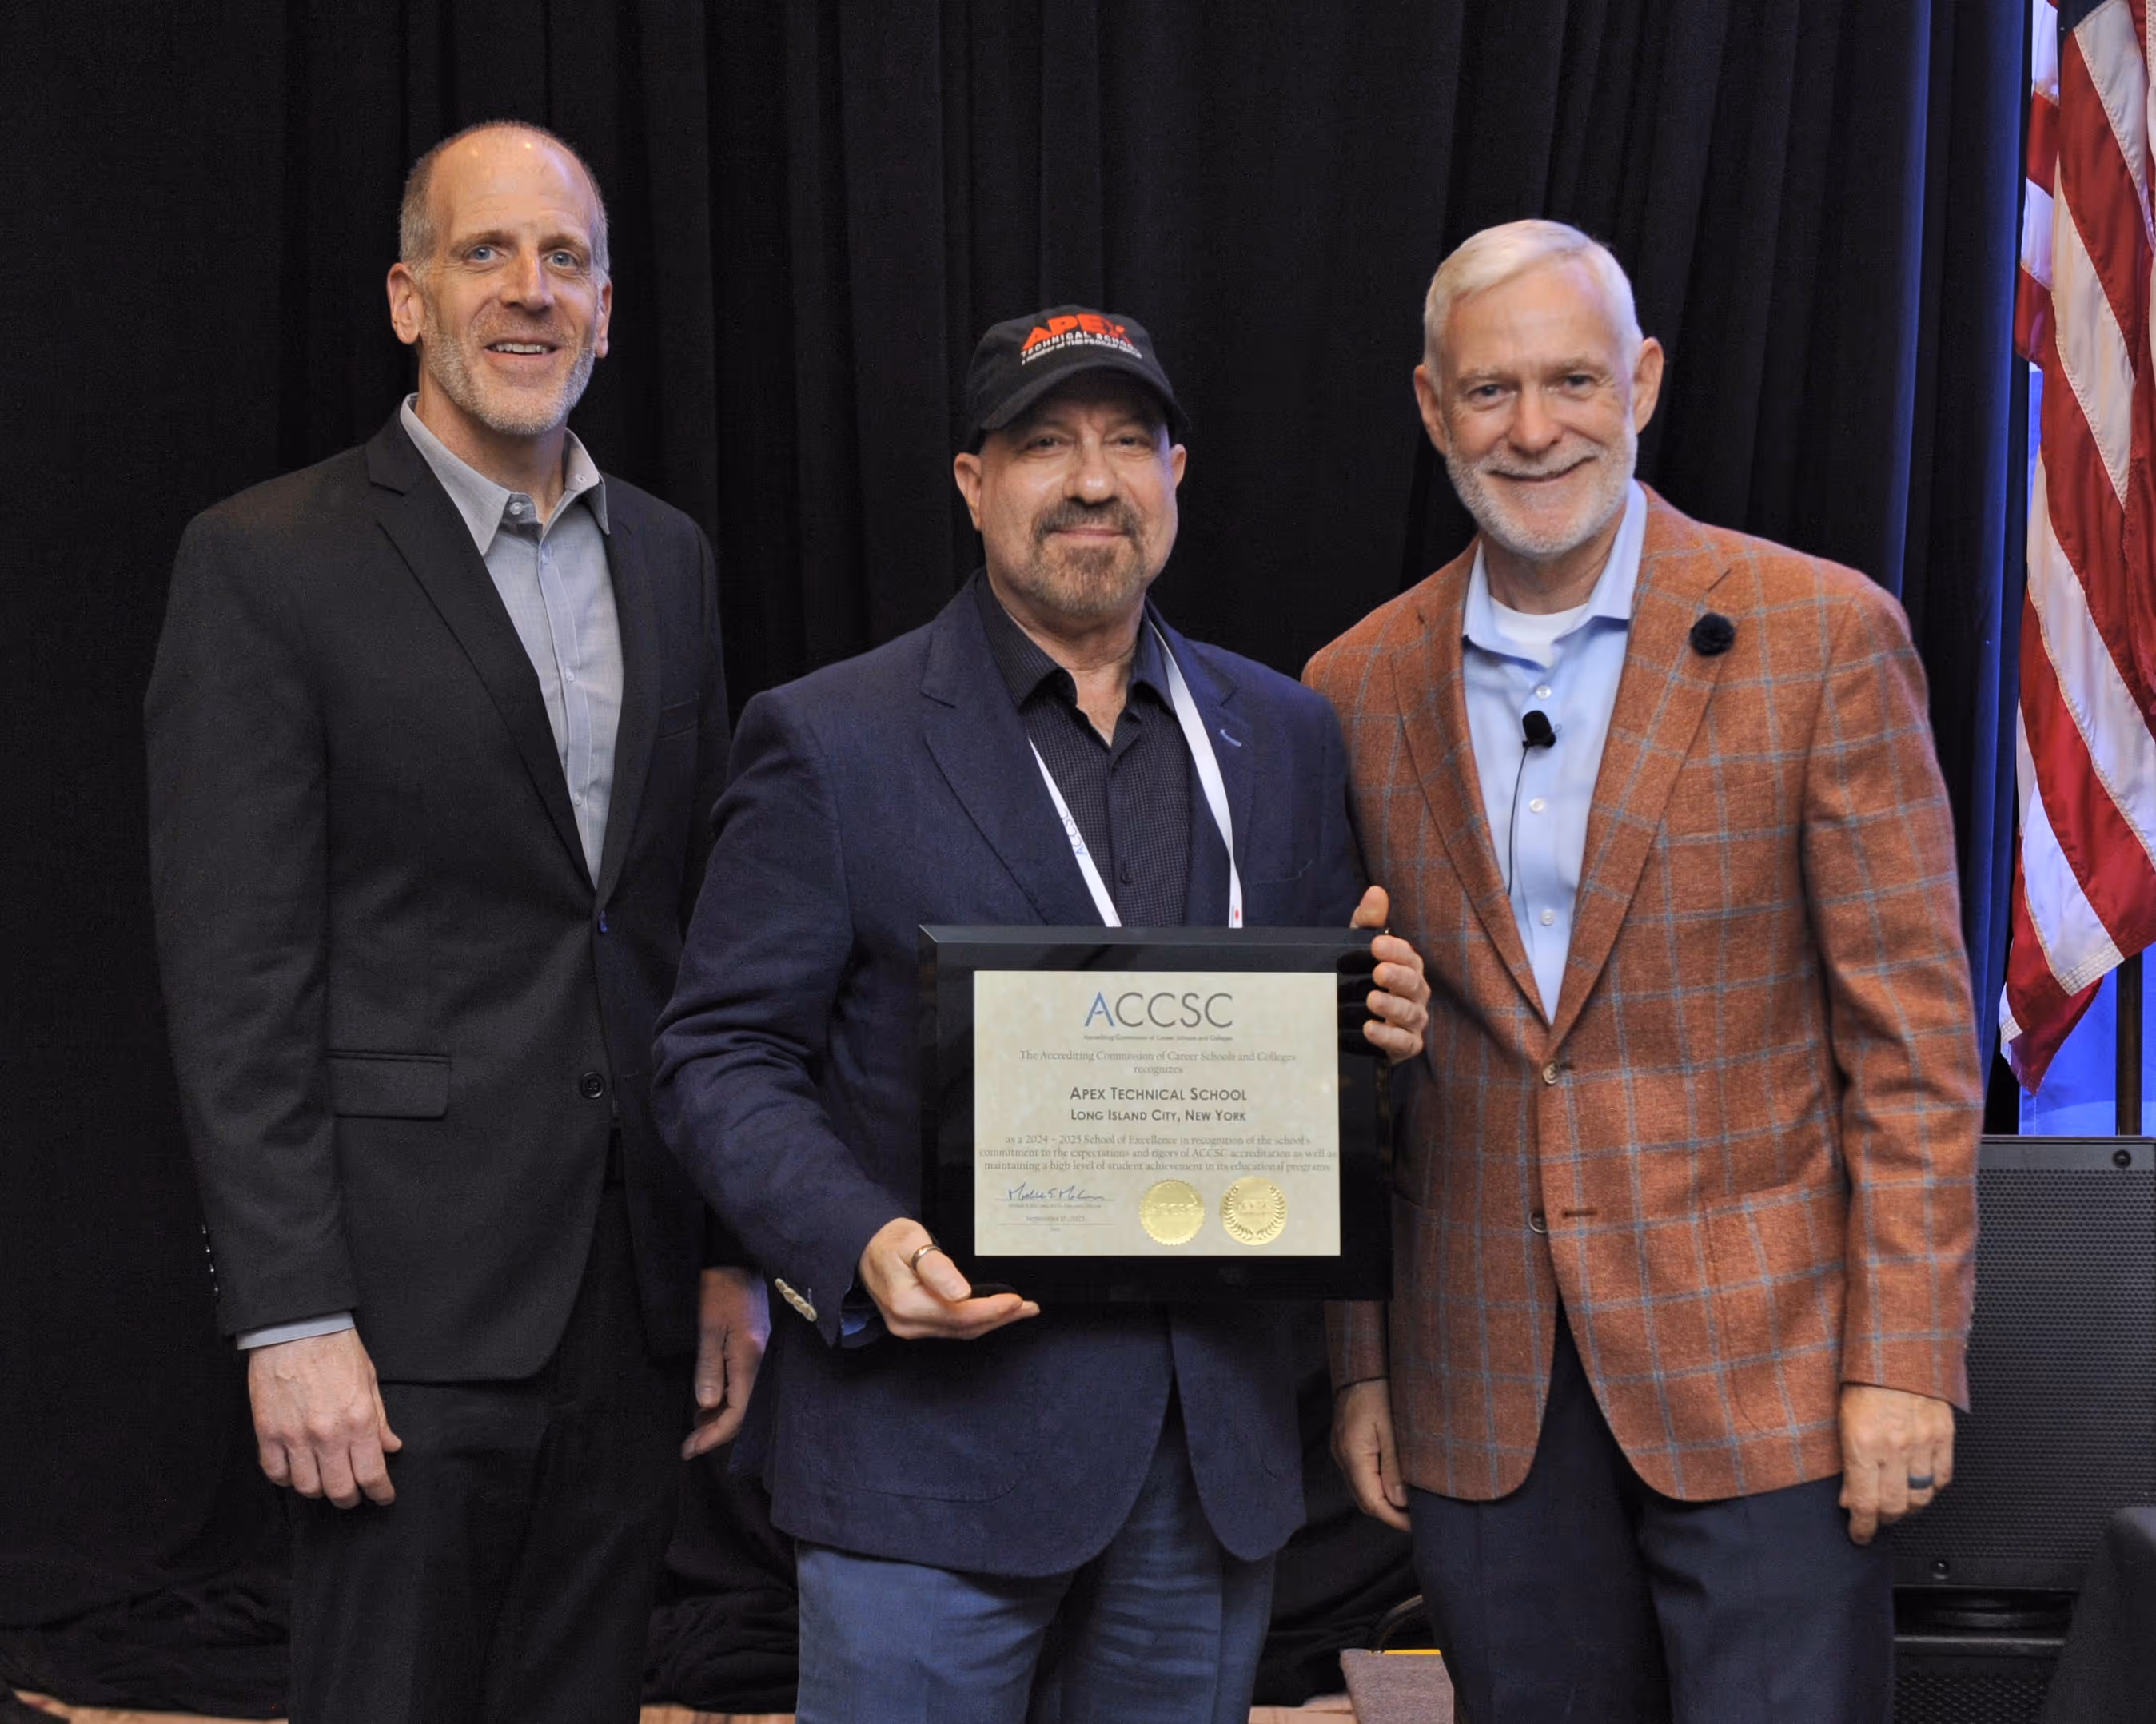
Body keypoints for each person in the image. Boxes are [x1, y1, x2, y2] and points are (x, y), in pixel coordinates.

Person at [653, 305, 1433, 1724]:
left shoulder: (1282, 737)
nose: (1092, 480)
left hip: (1208, 1462)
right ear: (971, 482)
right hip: (929, 1463)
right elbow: (718, 1052)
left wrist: (1378, 1025)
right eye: (1045, 445)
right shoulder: (834, 739)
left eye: (1129, 442)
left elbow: (1333, 1085)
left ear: (1177, 473)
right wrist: (861, 1241)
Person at [1306, 220, 1981, 1722]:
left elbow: (1915, 1048)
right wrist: (1361, 1364)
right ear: (1431, 407)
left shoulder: (1821, 636)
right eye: (1490, 393)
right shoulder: (1351, 687)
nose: (1533, 429)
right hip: (1480, 1384)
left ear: (1646, 383)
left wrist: (1907, 1359)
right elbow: (1344, 1069)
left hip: (1777, 1378)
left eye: (1573, 381)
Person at [144, 121, 763, 1723]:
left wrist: (717, 1257)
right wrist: (289, 1315)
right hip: (396, 1313)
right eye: (486, 253)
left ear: (609, 308)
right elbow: (237, 974)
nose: (528, 290)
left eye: (564, 258)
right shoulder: (264, 562)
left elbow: (683, 933)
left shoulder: (673, 563)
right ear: (408, 296)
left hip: (626, 1300)